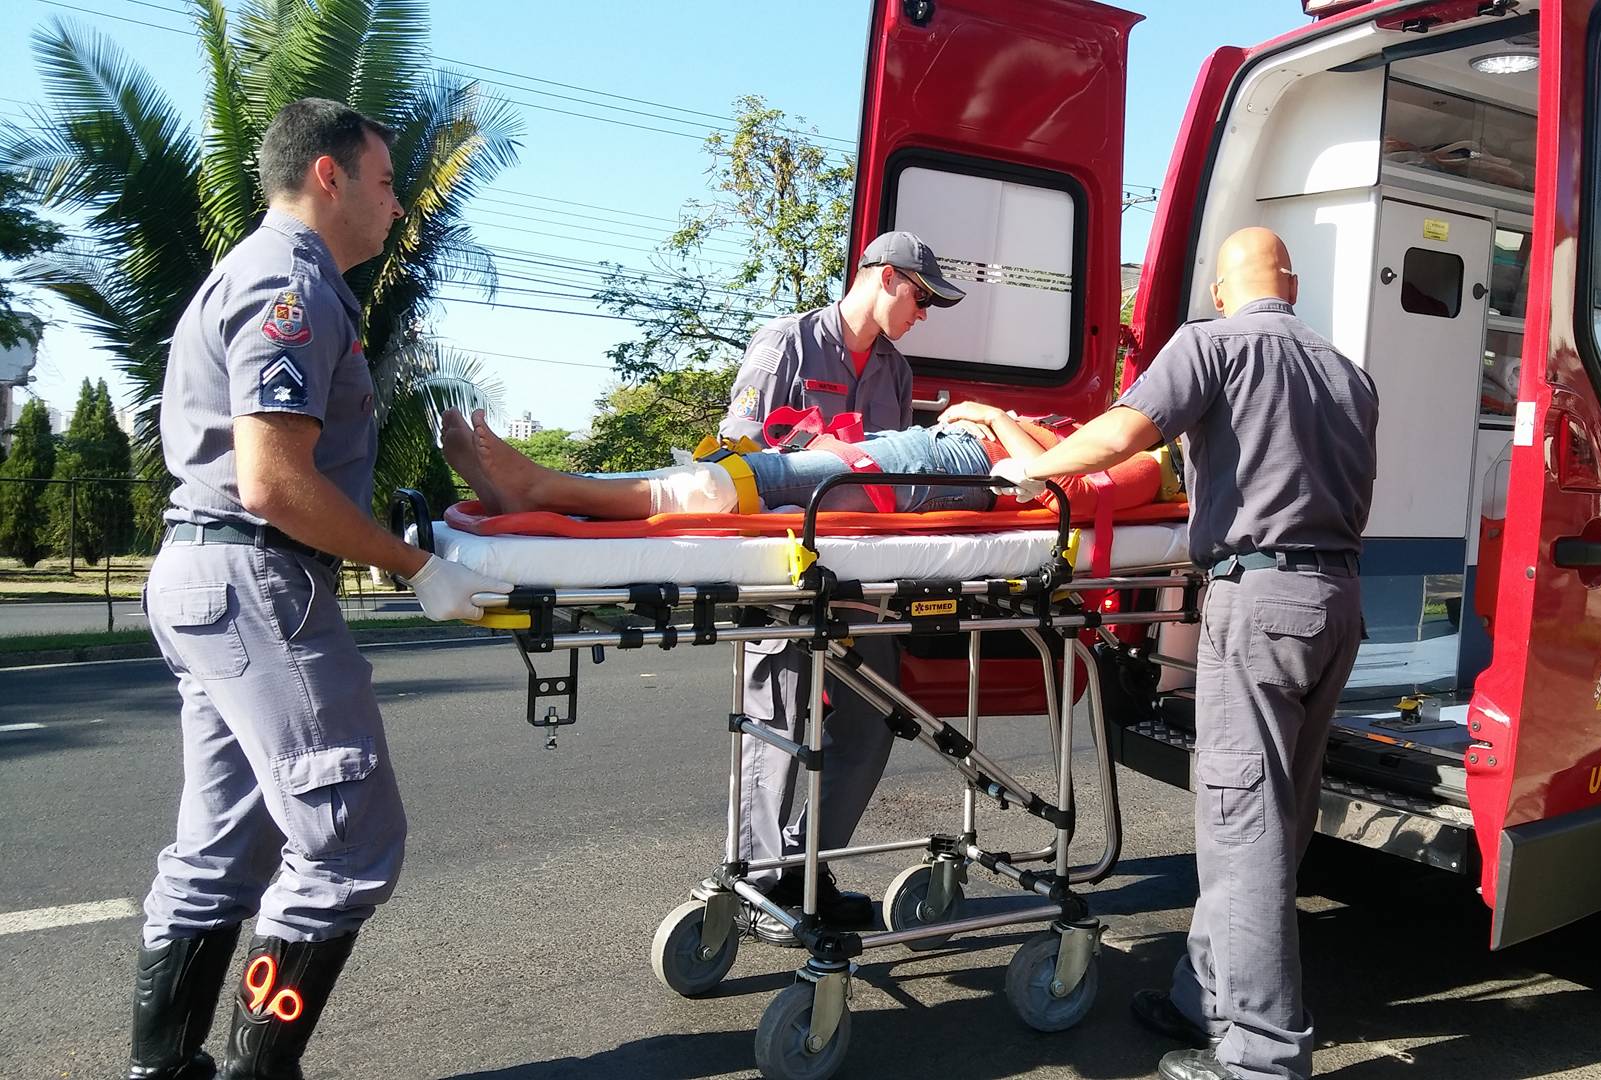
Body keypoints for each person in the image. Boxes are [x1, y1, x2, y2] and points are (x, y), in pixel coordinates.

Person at [128, 99, 509, 1080]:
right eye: (385, 184)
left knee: (223, 853)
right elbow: (275, 481)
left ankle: (161, 1069)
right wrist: (418, 566)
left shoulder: (263, 276)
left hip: (208, 573)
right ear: (329, 176)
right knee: (347, 842)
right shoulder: (291, 284)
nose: (398, 207)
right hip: (260, 573)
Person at [997, 227, 1378, 1080]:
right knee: (1272, 817)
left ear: (1219, 291)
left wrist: (1031, 474)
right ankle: (1203, 994)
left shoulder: (1214, 344)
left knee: (1240, 823)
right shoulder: (1348, 374)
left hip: (1261, 603)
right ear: (1294, 284)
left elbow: (1121, 435)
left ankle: (1261, 1056)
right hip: (1338, 602)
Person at [716, 230, 964, 944]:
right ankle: (762, 884)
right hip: (789, 575)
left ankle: (806, 865)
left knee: (867, 726)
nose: (923, 314)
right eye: (920, 297)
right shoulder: (788, 342)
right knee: (775, 722)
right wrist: (805, 449)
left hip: (862, 582)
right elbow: (736, 445)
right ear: (885, 278)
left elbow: (894, 479)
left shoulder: (896, 372)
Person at [436, 401, 1164, 520]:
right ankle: (553, 490)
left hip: (963, 465)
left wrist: (994, 415)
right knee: (762, 473)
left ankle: (543, 488)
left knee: (773, 481)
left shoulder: (1150, 467)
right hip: (950, 460)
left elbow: (1061, 486)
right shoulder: (1144, 451)